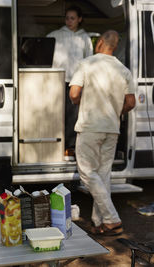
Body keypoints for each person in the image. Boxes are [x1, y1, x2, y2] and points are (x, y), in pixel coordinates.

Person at [69, 30, 136, 235]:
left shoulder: (87, 63)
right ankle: (99, 223)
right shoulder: (124, 70)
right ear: (114, 47)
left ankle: (112, 219)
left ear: (99, 44)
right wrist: (116, 112)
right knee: (103, 175)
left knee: (87, 173)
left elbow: (73, 94)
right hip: (111, 128)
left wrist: (81, 102)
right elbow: (131, 102)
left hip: (90, 127)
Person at [47, 5, 93, 153]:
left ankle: (70, 147)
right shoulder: (55, 35)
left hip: (76, 82)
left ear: (80, 19)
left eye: (72, 18)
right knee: (56, 113)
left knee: (73, 115)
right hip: (57, 81)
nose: (69, 21)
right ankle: (54, 145)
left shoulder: (85, 38)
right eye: (67, 18)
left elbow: (89, 61)